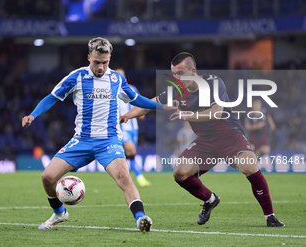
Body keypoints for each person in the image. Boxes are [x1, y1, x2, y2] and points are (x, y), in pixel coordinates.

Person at [21, 37, 175, 231]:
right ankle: (59, 213)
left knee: (124, 178)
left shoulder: (117, 79)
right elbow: (52, 97)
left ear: (109, 58)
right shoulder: (76, 77)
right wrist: (32, 115)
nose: (101, 67)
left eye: (105, 62)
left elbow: (137, 100)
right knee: (47, 177)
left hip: (109, 141)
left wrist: (162, 106)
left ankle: (141, 218)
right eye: (96, 62)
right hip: (82, 140)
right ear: (89, 57)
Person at [120, 52, 285, 227]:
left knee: (249, 166)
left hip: (229, 133)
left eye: (181, 73)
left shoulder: (213, 82)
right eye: (174, 73)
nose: (177, 78)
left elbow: (216, 112)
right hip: (206, 140)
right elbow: (149, 105)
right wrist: (127, 115)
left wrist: (187, 115)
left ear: (193, 70)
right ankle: (210, 199)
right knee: (180, 172)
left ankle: (270, 216)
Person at [115, 68, 151, 188]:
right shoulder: (111, 91)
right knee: (131, 151)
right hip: (121, 127)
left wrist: (142, 113)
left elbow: (137, 102)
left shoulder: (132, 89)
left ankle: (126, 176)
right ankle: (139, 177)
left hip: (133, 127)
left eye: (123, 76)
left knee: (129, 154)